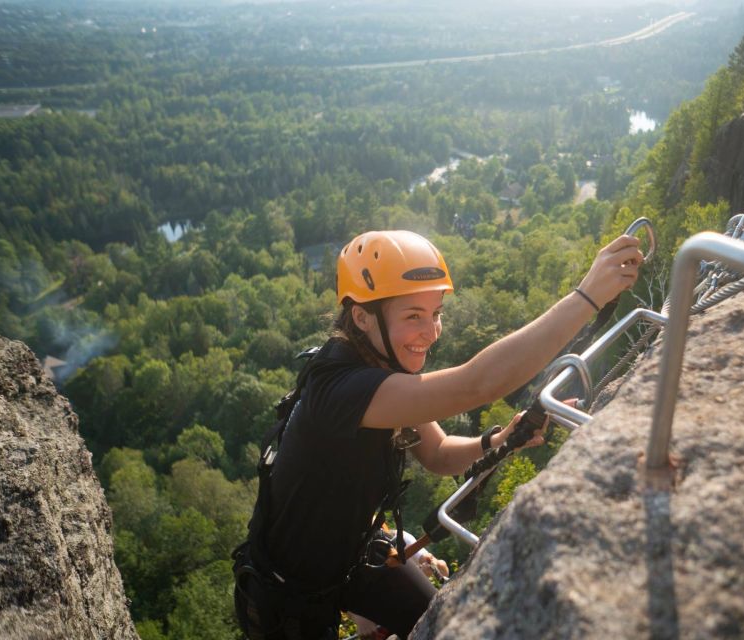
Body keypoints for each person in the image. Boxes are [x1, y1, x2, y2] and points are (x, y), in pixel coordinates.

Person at [250, 229, 642, 639]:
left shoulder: (384, 370)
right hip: (289, 597)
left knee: (443, 625)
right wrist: (588, 297)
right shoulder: (342, 390)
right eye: (413, 316)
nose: (432, 331)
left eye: (435, 313)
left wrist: (498, 440)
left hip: (352, 557)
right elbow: (477, 384)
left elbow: (437, 453)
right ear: (362, 316)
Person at [345, 529, 449, 640]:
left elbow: (443, 570)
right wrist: (358, 619)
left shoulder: (400, 538)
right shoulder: (346, 564)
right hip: (381, 620)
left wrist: (433, 565)